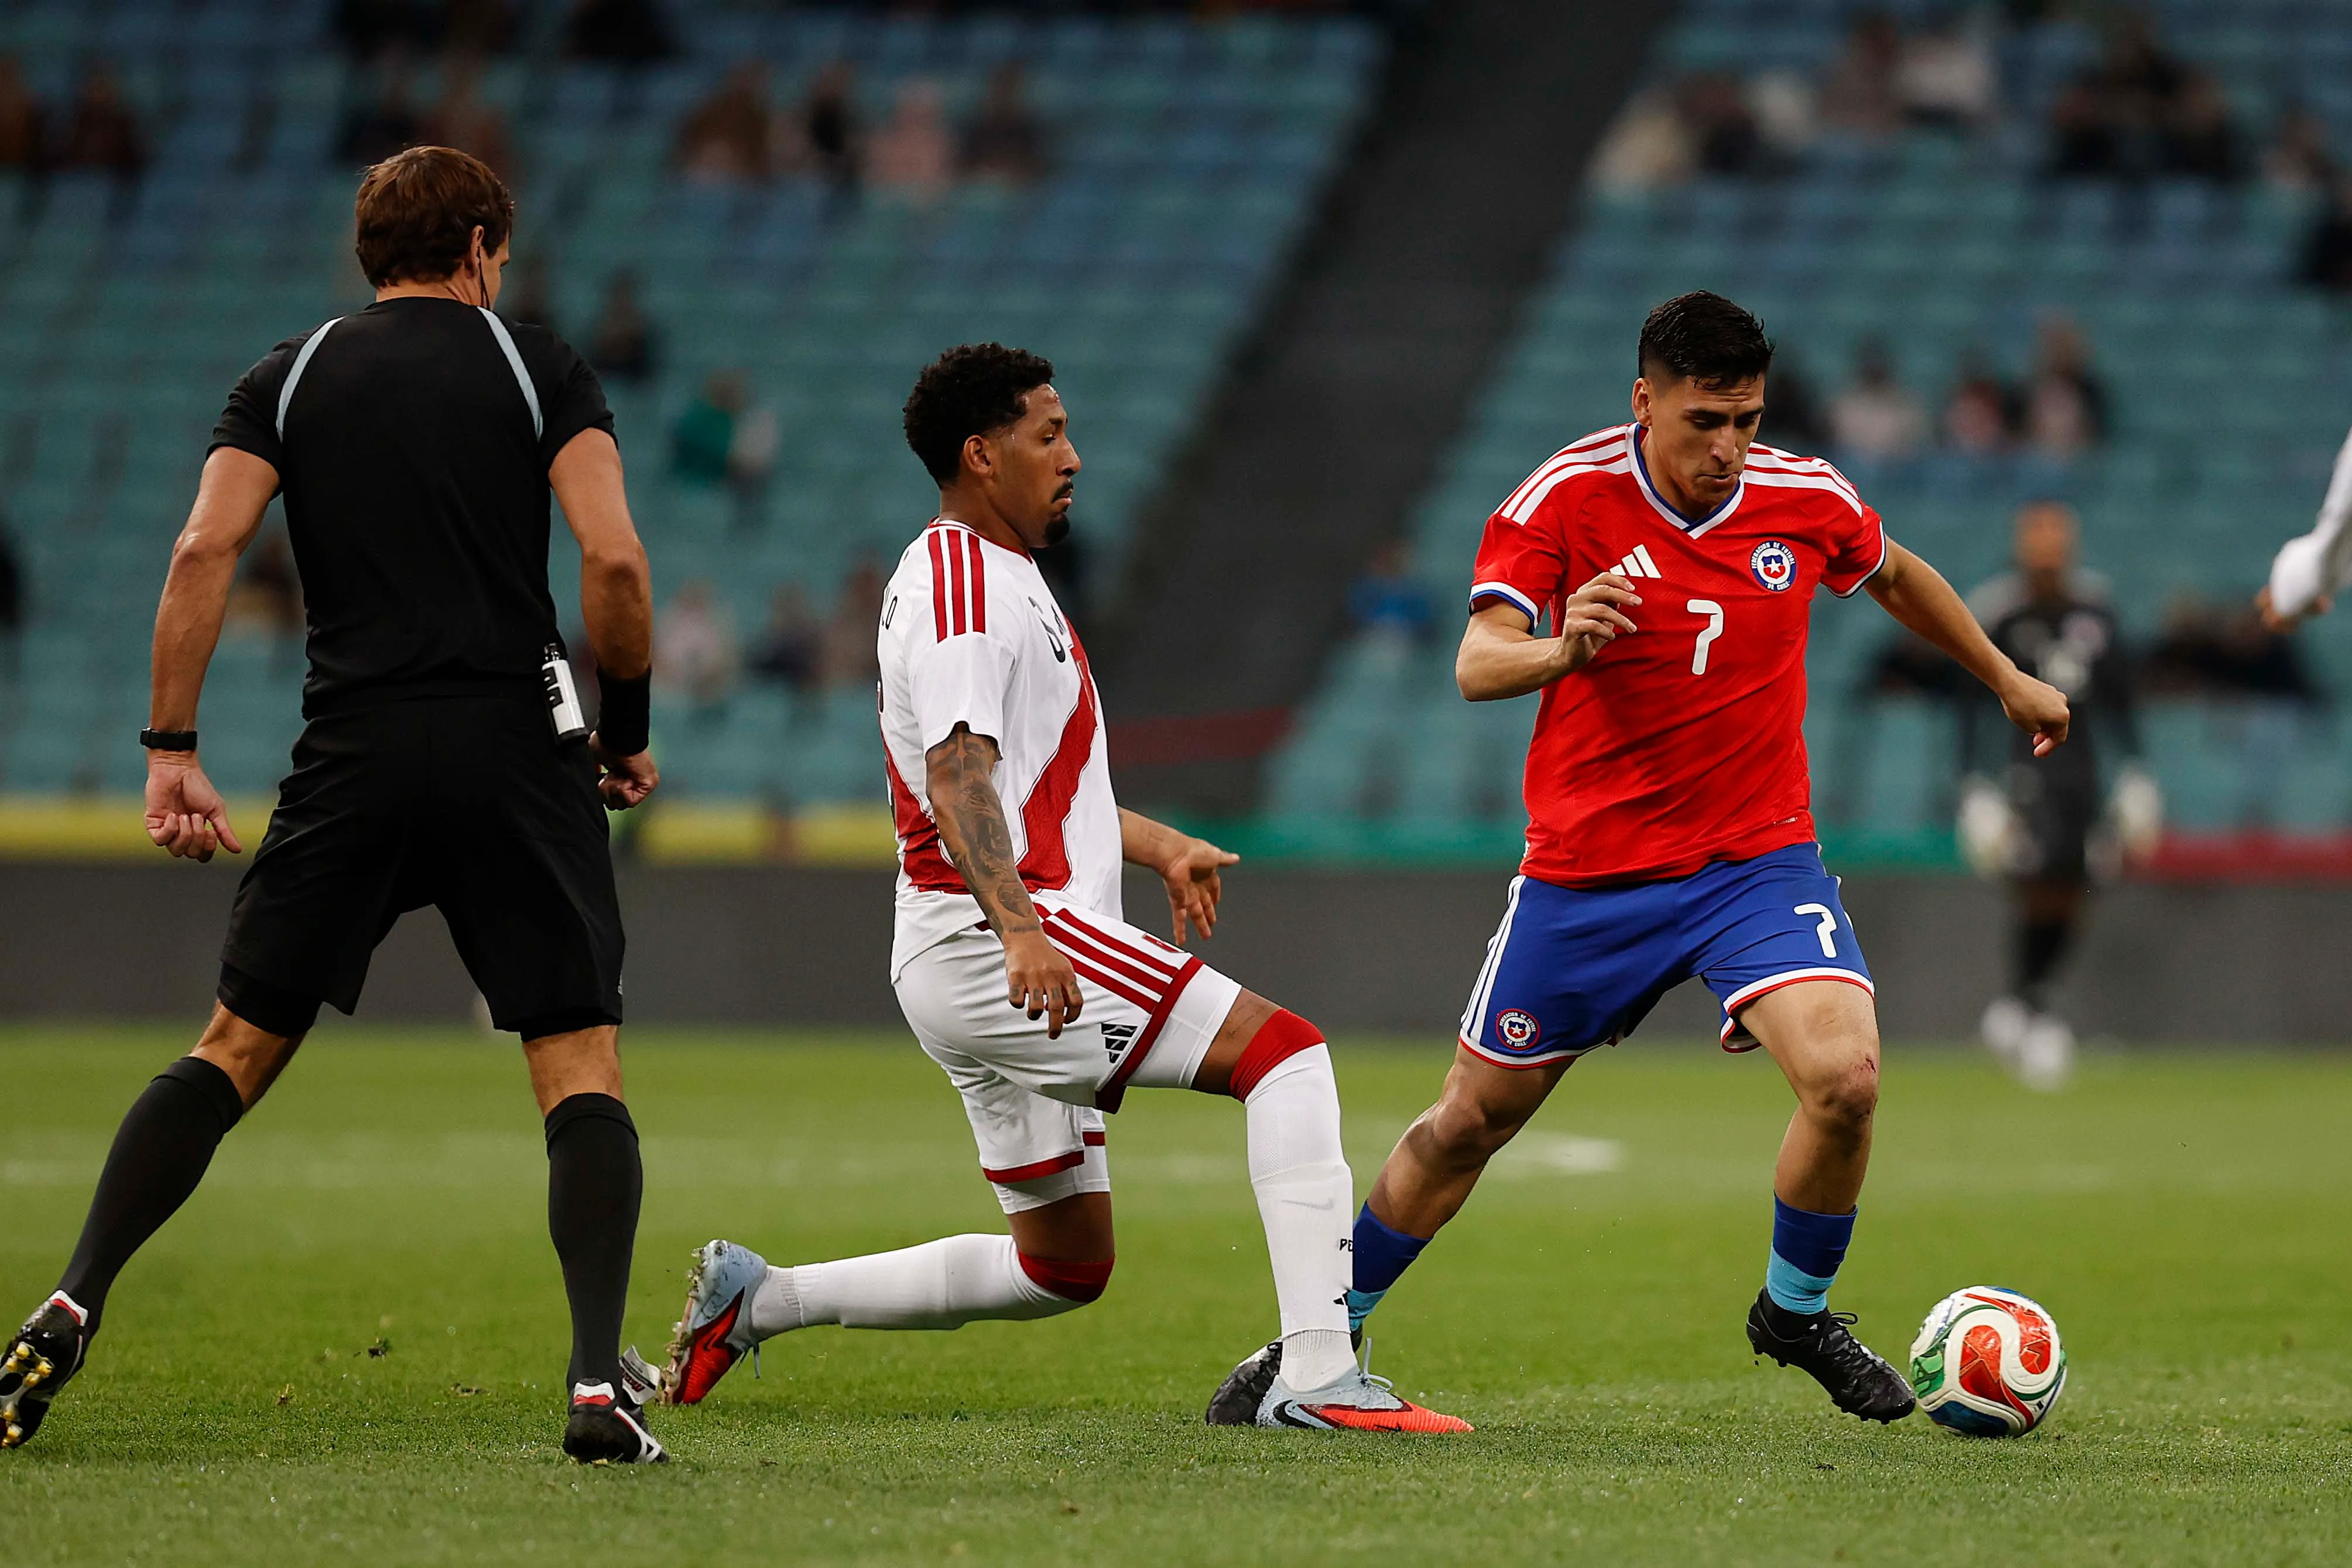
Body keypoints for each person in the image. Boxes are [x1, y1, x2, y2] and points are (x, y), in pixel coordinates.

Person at [1211, 293, 2071, 1425]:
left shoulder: (1804, 496)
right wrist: (1561, 646)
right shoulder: (1562, 498)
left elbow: (1896, 574)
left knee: (1845, 1079)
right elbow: (1476, 662)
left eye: (1746, 420)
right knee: (1466, 1122)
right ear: (1643, 401)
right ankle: (1318, 1341)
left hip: (1753, 862)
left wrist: (2003, 676)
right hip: (1590, 875)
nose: (1727, 447)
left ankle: (1794, 1312)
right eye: (1704, 420)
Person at [656, 344, 1467, 1433]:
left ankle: (761, 1298)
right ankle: (1319, 1374)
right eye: (1048, 434)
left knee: (1063, 1263)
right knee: (1286, 1056)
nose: (1074, 455)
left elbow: (1026, 783)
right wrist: (1022, 930)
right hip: (999, 939)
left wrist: (1154, 843)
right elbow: (957, 777)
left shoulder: (1000, 575)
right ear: (981, 455)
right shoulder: (959, 586)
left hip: (972, 943)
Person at [0, 147, 665, 1464]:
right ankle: (597, 1386)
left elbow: (204, 547)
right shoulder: (537, 365)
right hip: (513, 749)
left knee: (232, 1048)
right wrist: (625, 733)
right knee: (577, 1062)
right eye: (501, 251)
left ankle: (72, 1296)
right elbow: (615, 561)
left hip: (353, 748)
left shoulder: (287, 376)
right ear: (476, 247)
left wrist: (171, 747)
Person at [1960, 503, 2152, 1091]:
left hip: (2083, 770)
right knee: (2038, 879)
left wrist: (2136, 773)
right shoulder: (1999, 611)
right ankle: (2035, 1011)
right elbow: (1968, 704)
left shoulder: (2096, 609)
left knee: (2075, 886)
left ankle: (2022, 1005)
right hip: (2026, 765)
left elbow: (2121, 697)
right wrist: (1974, 786)